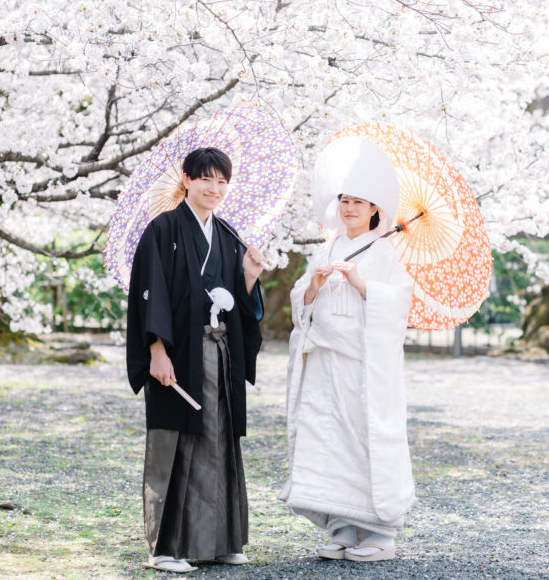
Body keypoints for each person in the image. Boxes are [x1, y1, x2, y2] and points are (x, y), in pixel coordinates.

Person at [126, 147, 266, 574]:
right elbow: (151, 292)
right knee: (176, 444)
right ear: (186, 179)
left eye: (223, 181)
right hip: (179, 355)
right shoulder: (163, 229)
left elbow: (239, 303)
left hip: (220, 355)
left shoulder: (226, 234)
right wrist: (156, 351)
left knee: (219, 439)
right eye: (206, 179)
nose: (215, 188)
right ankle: (166, 547)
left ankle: (222, 540)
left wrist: (248, 277)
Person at [279, 157, 415, 563]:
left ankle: (379, 532)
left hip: (362, 366)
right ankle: (342, 526)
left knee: (363, 438)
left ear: (375, 209)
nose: (350, 208)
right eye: (344, 200)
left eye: (359, 202)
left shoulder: (385, 252)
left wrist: (363, 285)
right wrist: (313, 286)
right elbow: (299, 300)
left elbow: (400, 303)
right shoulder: (330, 245)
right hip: (324, 361)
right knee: (327, 439)